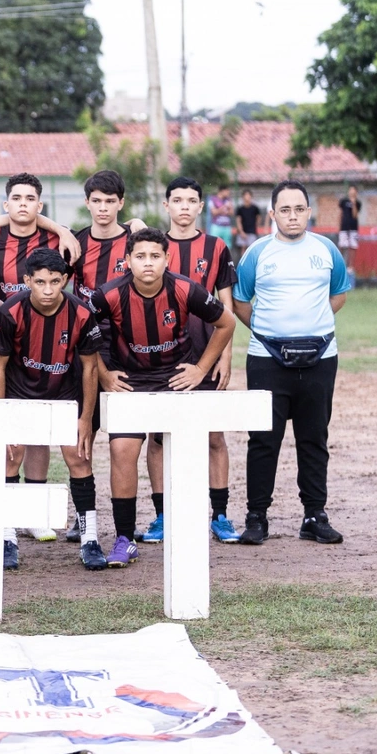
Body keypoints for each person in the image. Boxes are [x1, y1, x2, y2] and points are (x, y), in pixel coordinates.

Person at [89, 228, 235, 567]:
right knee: (122, 449)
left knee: (190, 446)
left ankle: (188, 526)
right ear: (127, 261)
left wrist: (200, 368)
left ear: (166, 259)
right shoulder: (109, 294)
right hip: (132, 380)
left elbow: (227, 324)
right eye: (140, 256)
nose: (148, 263)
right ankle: (125, 538)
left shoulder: (184, 288)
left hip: (175, 380)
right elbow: (82, 329)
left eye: (155, 256)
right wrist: (104, 374)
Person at [233, 179, 351, 546]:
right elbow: (240, 301)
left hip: (320, 359)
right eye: (284, 209)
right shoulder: (256, 253)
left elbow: (339, 294)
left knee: (314, 438)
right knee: (264, 440)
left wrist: (309, 332)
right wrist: (273, 334)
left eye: (299, 209)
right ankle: (257, 517)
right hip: (267, 360)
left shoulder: (327, 249)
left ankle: (314, 515)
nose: (293, 216)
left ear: (309, 211)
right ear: (272, 214)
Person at [0, 248, 106, 571]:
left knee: (79, 458)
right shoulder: (11, 311)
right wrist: (3, 420)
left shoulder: (81, 313)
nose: (48, 290)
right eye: (39, 282)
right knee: (11, 457)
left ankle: (90, 539)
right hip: (19, 393)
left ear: (65, 280)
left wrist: (85, 419)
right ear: (27, 281)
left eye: (55, 281)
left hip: (66, 395)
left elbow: (90, 369)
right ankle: (7, 536)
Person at [0, 173, 77, 542]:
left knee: (39, 437)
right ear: (6, 205)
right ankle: (3, 516)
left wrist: (64, 230)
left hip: (49, 347)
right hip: (6, 340)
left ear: (40, 204)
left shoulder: (57, 240)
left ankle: (33, 514)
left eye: (30, 198)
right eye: (15, 198)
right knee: (9, 439)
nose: (22, 204)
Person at [140, 177, 240, 544]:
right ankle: (163, 516)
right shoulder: (152, 247)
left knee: (214, 435)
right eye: (177, 200)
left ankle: (221, 515)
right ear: (166, 206)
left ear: (202, 207)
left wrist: (225, 355)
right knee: (158, 436)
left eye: (191, 200)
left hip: (206, 352)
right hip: (161, 355)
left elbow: (226, 306)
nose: (184, 206)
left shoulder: (216, 247)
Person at [69, 170, 143, 543]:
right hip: (85, 349)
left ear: (121, 203)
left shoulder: (134, 240)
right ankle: (84, 519)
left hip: (127, 347)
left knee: (125, 442)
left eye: (109, 201)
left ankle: (130, 529)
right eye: (96, 201)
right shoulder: (75, 243)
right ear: (87, 203)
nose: (102, 208)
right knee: (84, 435)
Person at [338, 185, 362, 284]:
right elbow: (340, 214)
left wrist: (353, 203)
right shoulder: (343, 202)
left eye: (353, 190)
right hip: (344, 228)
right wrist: (339, 226)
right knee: (342, 246)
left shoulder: (358, 203)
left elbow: (355, 215)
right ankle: (340, 264)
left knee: (352, 247)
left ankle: (350, 266)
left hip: (353, 228)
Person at [234, 189, 262, 260]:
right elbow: (238, 221)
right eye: (246, 196)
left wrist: (255, 226)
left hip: (252, 231)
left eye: (249, 196)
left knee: (252, 248)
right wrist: (241, 232)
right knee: (243, 248)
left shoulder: (255, 208)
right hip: (242, 232)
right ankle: (242, 262)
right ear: (243, 197)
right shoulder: (240, 209)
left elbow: (258, 218)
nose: (247, 198)